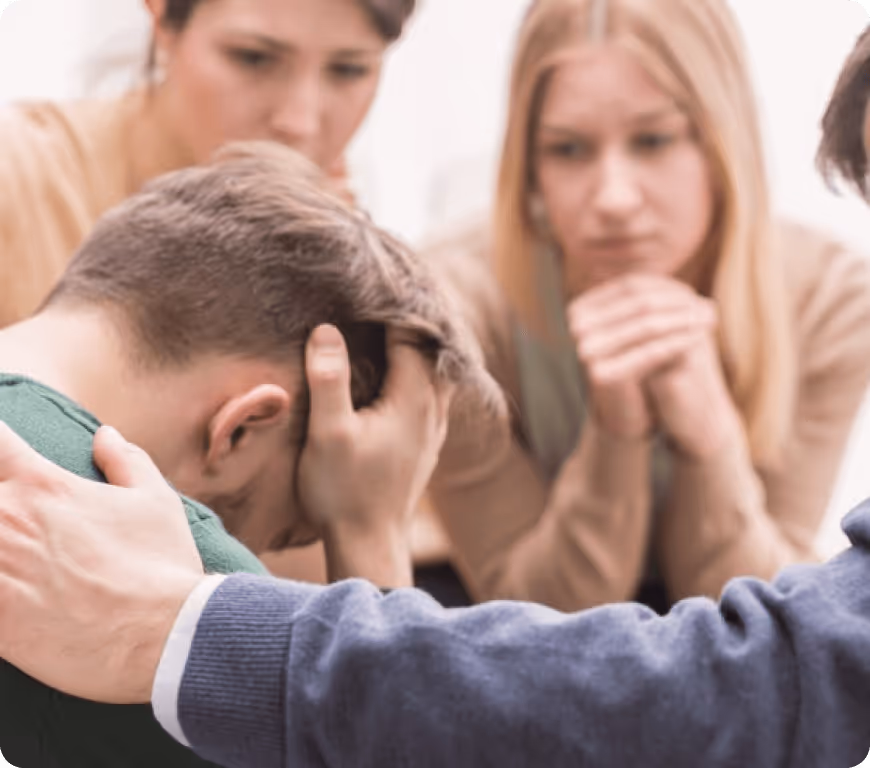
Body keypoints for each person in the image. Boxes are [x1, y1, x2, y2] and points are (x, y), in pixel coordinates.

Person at [0, 141, 489, 767]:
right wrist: (371, 535)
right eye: (282, 535)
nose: (257, 555)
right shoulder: (163, 578)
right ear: (240, 429)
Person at [422, 0, 870, 613]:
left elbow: (771, 625)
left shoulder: (831, 298)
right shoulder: (451, 307)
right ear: (527, 166)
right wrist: (615, 434)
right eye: (568, 149)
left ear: (723, 141)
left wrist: (709, 440)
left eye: (653, 140)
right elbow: (533, 618)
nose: (613, 198)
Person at [0, 0, 415, 327]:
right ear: (161, 14)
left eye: (349, 70)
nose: (299, 122)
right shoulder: (18, 176)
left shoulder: (356, 251)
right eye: (252, 58)